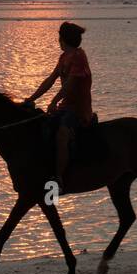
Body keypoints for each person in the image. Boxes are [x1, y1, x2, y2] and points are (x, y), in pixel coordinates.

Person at [24, 21, 93, 191]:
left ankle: (59, 179)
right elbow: (50, 80)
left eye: (59, 38)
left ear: (64, 39)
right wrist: (31, 98)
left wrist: (54, 101)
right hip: (65, 107)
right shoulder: (63, 57)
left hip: (78, 110)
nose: (58, 41)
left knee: (62, 133)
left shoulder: (79, 57)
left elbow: (70, 85)